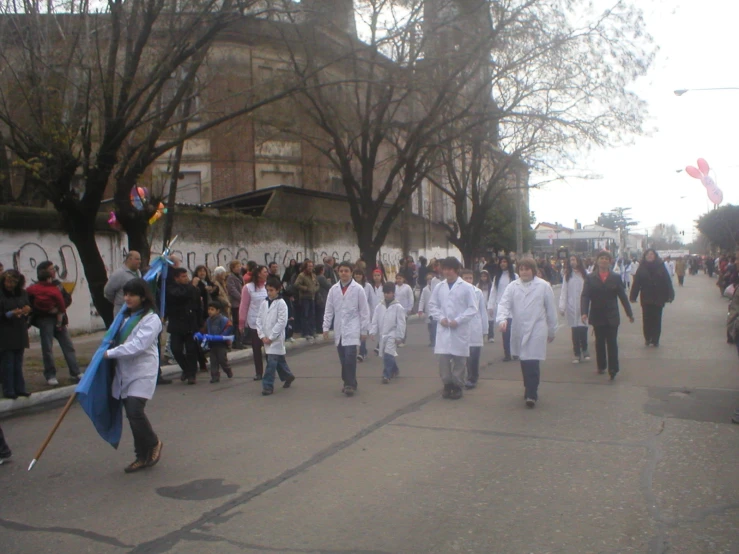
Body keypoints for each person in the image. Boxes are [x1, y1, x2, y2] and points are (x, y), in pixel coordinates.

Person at [103, 278, 163, 473]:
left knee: (135, 410)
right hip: (124, 371)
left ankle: (153, 443)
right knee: (131, 414)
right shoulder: (125, 317)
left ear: (143, 296)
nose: (127, 298)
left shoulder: (151, 319)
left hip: (143, 370)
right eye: (126, 294)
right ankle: (141, 456)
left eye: (132, 295)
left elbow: (138, 346)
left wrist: (109, 354)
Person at [496, 258, 557, 408]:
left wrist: (552, 330)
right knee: (524, 360)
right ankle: (528, 386)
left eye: (527, 269)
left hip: (537, 328)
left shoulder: (544, 286)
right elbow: (504, 304)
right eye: (521, 269)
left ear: (533, 270)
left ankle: (532, 393)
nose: (524, 272)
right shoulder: (512, 286)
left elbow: (551, 310)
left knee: (532, 360)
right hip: (519, 328)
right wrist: (502, 319)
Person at [428, 257, 478, 400]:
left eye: (450, 269)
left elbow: (472, 308)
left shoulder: (466, 287)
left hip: (459, 329)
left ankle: (457, 386)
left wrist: (458, 320)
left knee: (459, 361)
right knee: (443, 361)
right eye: (445, 269)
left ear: (456, 270)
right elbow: (432, 305)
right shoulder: (439, 287)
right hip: (444, 329)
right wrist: (440, 317)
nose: (447, 272)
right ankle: (447, 384)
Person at [581, 250, 634, 380]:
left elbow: (622, 296)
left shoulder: (615, 277)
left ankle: (613, 368)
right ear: (597, 261)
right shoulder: (590, 277)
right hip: (597, 314)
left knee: (612, 342)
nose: (604, 260)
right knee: (599, 342)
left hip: (612, 315)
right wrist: (584, 312)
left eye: (606, 258)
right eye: (601, 258)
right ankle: (601, 365)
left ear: (610, 261)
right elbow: (585, 296)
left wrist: (629, 313)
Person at [27, 266, 82, 385]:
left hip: (59, 317)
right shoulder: (36, 288)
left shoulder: (57, 285)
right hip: (45, 319)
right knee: (47, 348)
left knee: (67, 345)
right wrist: (44, 310)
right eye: (51, 269)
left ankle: (75, 371)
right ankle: (50, 374)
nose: (54, 272)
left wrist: (59, 310)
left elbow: (66, 298)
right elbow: (29, 302)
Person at [323, 262, 371, 396]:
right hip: (339, 328)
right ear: (338, 273)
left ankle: (349, 384)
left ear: (351, 273)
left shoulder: (358, 289)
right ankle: (350, 381)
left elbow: (364, 311)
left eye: (346, 271)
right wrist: (326, 327)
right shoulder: (333, 289)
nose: (344, 273)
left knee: (350, 356)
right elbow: (329, 310)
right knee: (343, 359)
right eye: (341, 271)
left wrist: (363, 330)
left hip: (353, 327)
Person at [256, 277, 296, 396]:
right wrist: (262, 335)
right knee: (279, 360)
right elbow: (258, 319)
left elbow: (282, 322)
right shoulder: (264, 303)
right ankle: (288, 376)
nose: (269, 292)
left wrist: (272, 337)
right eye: (268, 290)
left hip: (276, 338)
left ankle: (267, 385)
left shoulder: (281, 303)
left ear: (278, 290)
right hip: (266, 337)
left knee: (271, 362)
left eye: (272, 290)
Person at [630, 249, 674, 347]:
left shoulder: (661, 266)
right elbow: (637, 282)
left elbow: (667, 281)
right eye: (648, 254)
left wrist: (670, 295)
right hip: (646, 297)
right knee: (646, 319)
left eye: (652, 254)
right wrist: (633, 296)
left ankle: (655, 339)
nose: (650, 256)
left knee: (657, 319)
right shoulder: (641, 267)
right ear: (645, 256)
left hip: (659, 296)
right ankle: (648, 338)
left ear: (655, 256)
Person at [166, 267, 201, 384]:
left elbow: (197, 304)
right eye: (183, 276)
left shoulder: (191, 289)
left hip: (190, 323)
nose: (186, 279)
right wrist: (193, 286)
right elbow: (181, 296)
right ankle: (186, 369)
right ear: (176, 278)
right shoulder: (172, 288)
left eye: (187, 276)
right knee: (176, 349)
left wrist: (199, 321)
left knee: (191, 350)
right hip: (177, 324)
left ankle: (192, 374)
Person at [0, 270, 32, 399]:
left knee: (18, 363)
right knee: (8, 363)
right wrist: (10, 314)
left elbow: (28, 305)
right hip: (5, 332)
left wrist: (27, 310)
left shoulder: (22, 293)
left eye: (13, 282)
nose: (10, 285)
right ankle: (9, 390)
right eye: (8, 281)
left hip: (19, 331)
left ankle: (20, 388)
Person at [370, 282, 406, 384]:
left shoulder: (398, 307)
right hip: (383, 333)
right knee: (388, 353)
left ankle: (386, 375)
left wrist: (399, 336)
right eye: (385, 292)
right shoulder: (379, 306)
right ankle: (394, 369)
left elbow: (401, 323)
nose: (386, 295)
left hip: (393, 333)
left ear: (393, 293)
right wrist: (373, 331)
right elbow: (375, 319)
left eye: (388, 292)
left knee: (388, 353)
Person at [559, 255, 590, 364]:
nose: (572, 262)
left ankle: (585, 350)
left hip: (583, 306)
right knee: (575, 330)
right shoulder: (568, 275)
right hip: (572, 306)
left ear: (578, 261)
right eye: (571, 260)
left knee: (583, 329)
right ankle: (577, 353)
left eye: (574, 259)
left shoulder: (585, 274)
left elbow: (590, 290)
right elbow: (564, 291)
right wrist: (562, 306)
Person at [240, 265, 268, 380]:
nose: (267, 274)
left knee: (269, 348)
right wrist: (241, 322)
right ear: (258, 274)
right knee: (256, 348)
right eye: (265, 272)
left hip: (267, 321)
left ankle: (270, 370)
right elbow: (244, 305)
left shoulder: (268, 286)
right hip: (254, 322)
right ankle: (259, 372)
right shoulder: (248, 288)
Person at [461, 269, 488, 390]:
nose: (468, 280)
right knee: (463, 355)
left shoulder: (478, 292)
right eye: (465, 278)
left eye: (470, 278)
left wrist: (484, 330)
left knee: (474, 356)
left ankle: (473, 378)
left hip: (475, 326)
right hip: (462, 327)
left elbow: (483, 311)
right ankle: (464, 377)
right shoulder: (457, 292)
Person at [488, 256, 518, 362]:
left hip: (513, 308)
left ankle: (515, 352)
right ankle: (507, 354)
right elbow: (493, 292)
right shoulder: (497, 277)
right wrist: (490, 306)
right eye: (501, 262)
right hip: (502, 308)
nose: (503, 264)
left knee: (514, 332)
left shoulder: (515, 276)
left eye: (505, 262)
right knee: (505, 331)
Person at [104, 251, 142, 317]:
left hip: (135, 313)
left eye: (140, 259)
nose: (140, 261)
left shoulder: (138, 273)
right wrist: (119, 302)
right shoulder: (119, 274)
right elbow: (108, 292)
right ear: (129, 259)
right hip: (122, 314)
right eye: (137, 259)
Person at [204, 300, 234, 383]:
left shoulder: (223, 320)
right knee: (213, 361)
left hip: (221, 344)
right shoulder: (208, 320)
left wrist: (222, 336)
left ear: (218, 311)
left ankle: (227, 370)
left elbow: (229, 327)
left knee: (222, 360)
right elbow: (206, 330)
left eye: (212, 309)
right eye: (209, 309)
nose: (210, 311)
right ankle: (215, 376)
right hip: (212, 344)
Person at [295, 260, 319, 343]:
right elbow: (297, 284)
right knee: (305, 315)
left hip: (312, 297)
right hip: (305, 297)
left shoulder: (313, 275)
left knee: (312, 314)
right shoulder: (301, 275)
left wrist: (314, 290)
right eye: (309, 266)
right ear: (305, 267)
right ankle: (305, 332)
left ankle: (312, 331)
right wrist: (306, 289)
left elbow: (317, 284)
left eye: (312, 266)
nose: (310, 268)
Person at [353, 268, 373, 362]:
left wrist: (373, 314)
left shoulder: (368, 286)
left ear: (363, 276)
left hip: (365, 313)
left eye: (359, 274)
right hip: (354, 314)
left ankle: (361, 353)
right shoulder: (351, 286)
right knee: (357, 333)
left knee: (363, 332)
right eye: (356, 274)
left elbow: (372, 301)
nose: (358, 276)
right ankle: (363, 350)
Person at [226, 260, 245, 349]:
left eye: (239, 266)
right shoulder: (231, 277)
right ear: (232, 268)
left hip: (241, 303)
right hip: (236, 303)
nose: (239, 268)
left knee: (241, 322)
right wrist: (242, 298)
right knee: (237, 323)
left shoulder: (240, 276)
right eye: (236, 267)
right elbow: (232, 290)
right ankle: (237, 342)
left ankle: (240, 341)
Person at [394, 272, 414, 347]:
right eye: (397, 278)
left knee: (402, 325)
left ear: (403, 279)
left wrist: (410, 308)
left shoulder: (407, 287)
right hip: (395, 309)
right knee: (395, 325)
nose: (399, 280)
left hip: (404, 309)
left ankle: (402, 339)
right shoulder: (394, 287)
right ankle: (396, 339)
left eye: (400, 278)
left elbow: (411, 298)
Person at [417, 272, 437, 347]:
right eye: (428, 279)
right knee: (430, 327)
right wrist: (420, 310)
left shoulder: (437, 288)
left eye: (431, 279)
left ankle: (435, 341)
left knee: (435, 327)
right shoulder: (425, 289)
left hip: (436, 311)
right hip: (428, 311)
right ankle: (432, 340)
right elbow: (422, 300)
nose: (429, 280)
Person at [476, 269, 495, 343]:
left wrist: (491, 304)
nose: (483, 278)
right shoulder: (478, 285)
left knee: (490, 321)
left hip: (489, 304)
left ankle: (491, 336)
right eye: (482, 276)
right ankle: (482, 335)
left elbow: (493, 295)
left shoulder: (491, 285)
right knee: (481, 321)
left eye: (485, 276)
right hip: (481, 305)